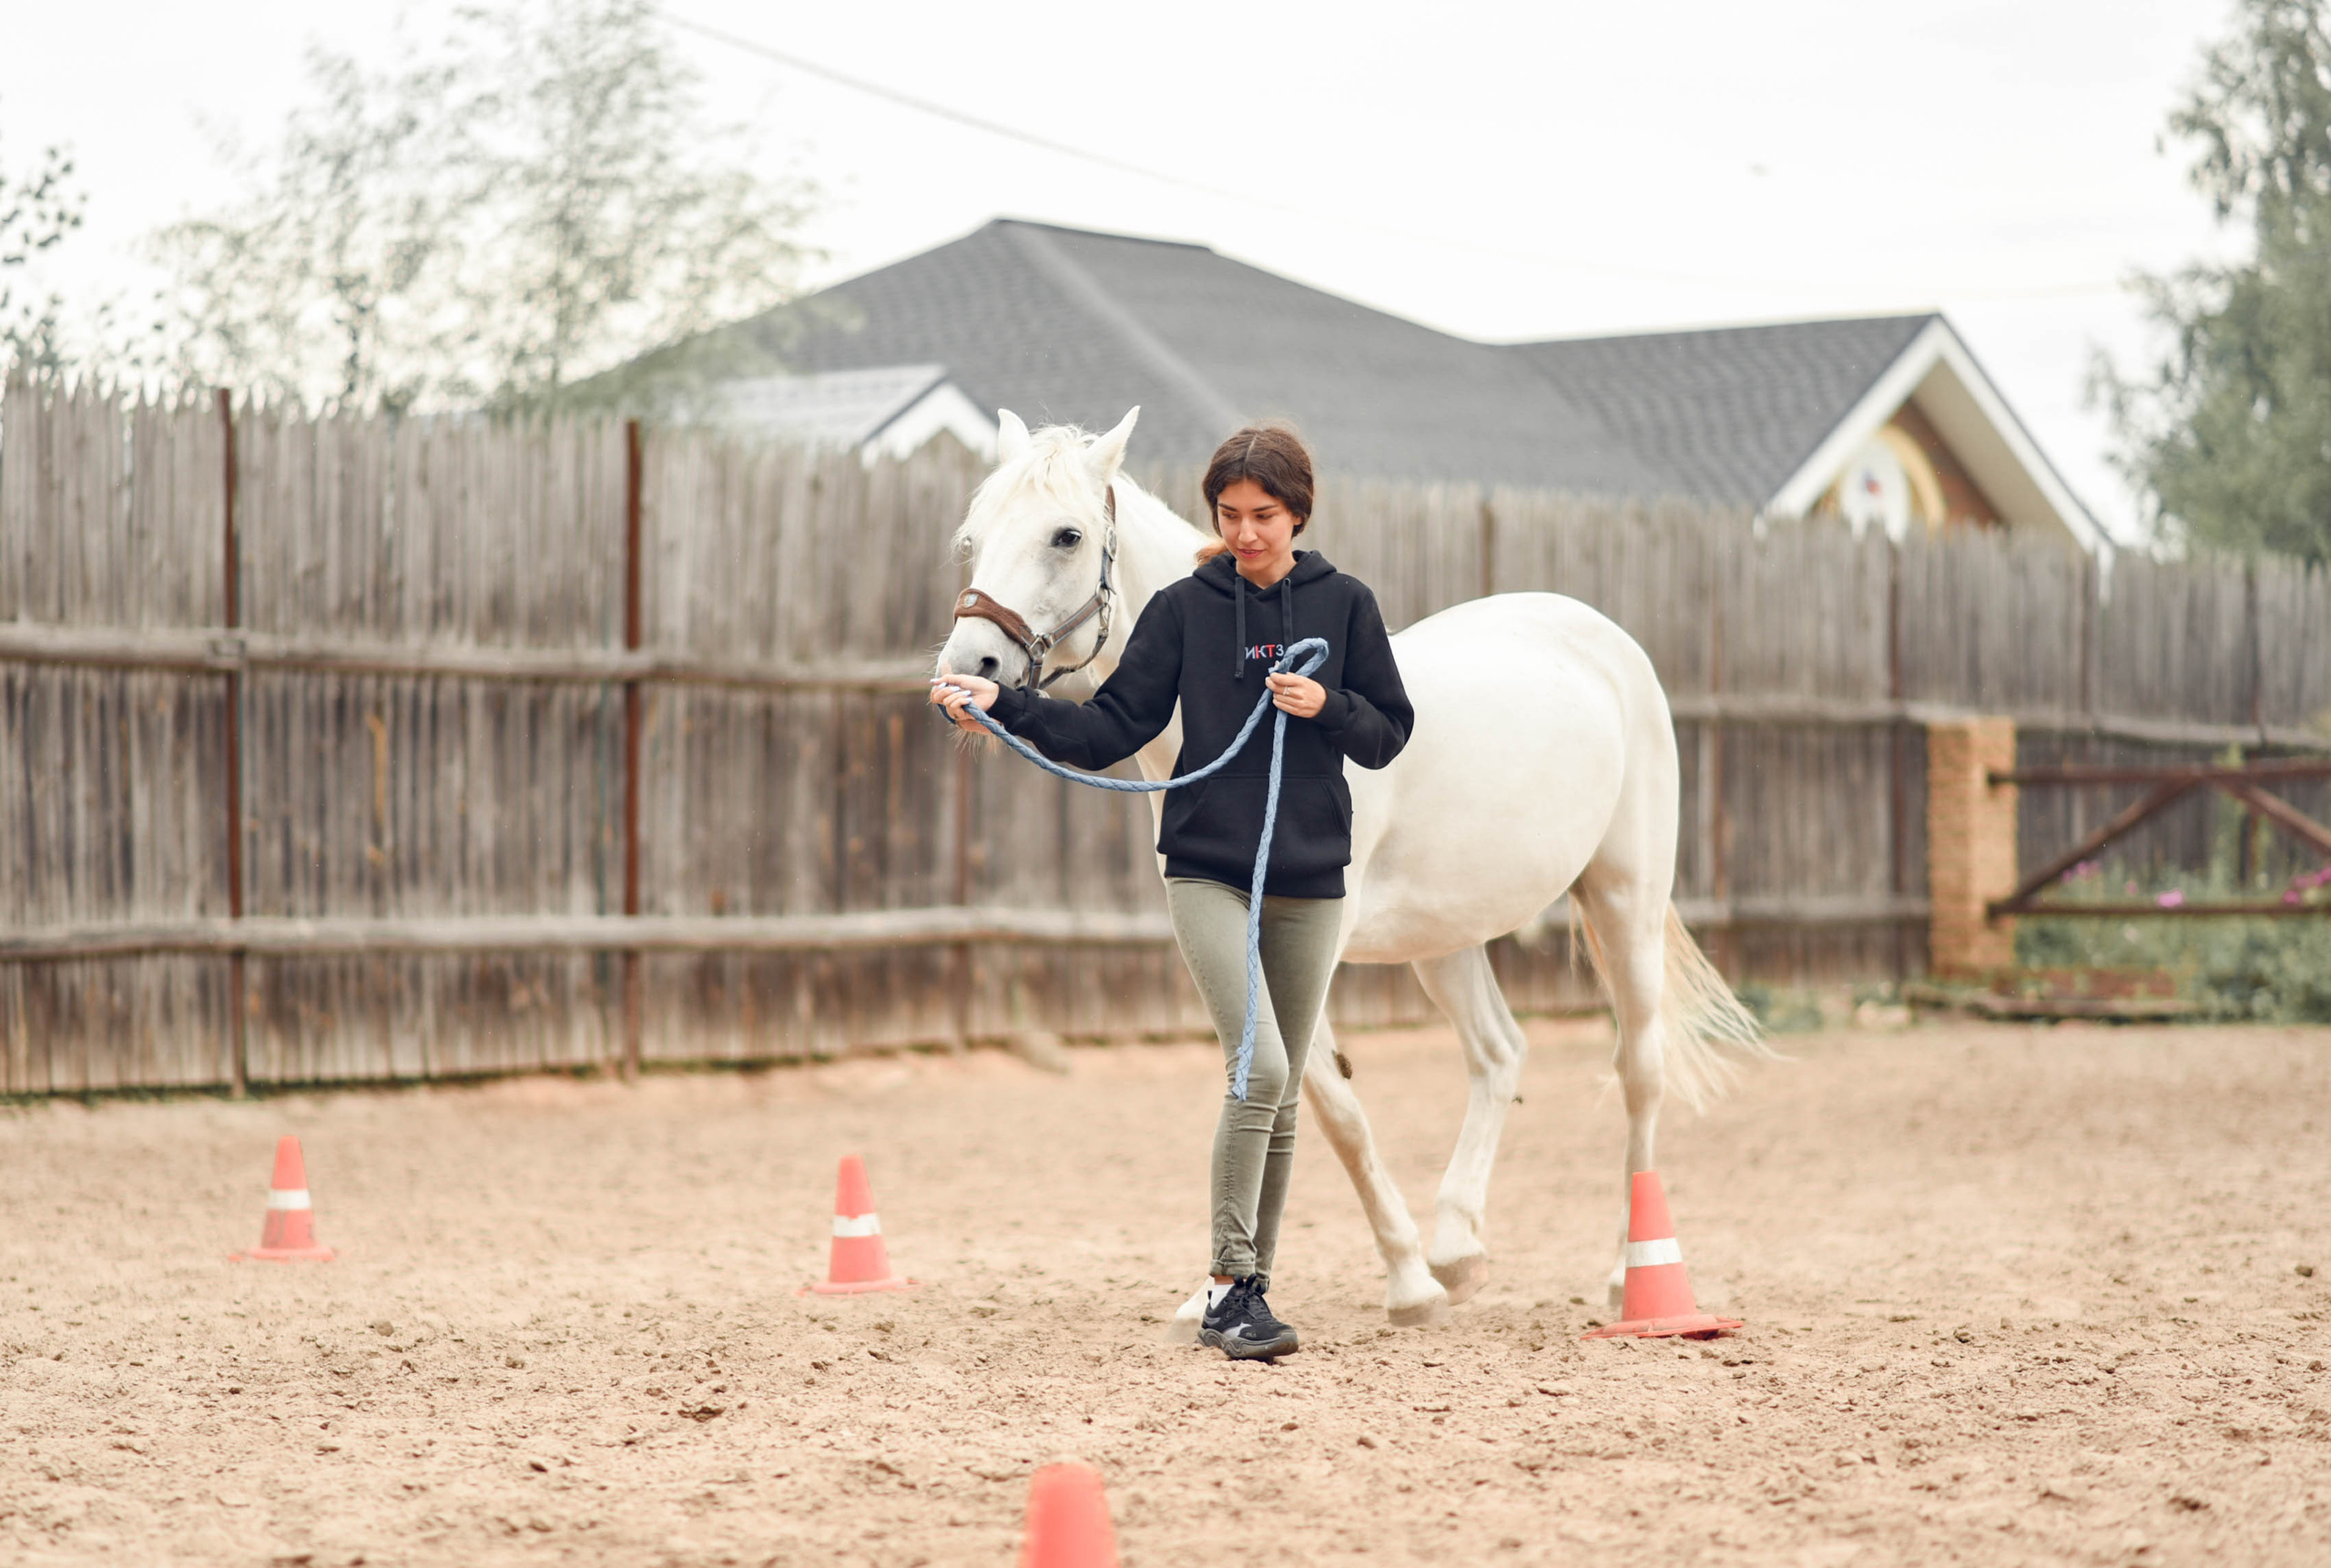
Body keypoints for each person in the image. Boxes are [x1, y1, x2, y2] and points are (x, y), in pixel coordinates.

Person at [931, 423, 1412, 1360]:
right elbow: (1113, 725)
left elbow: (1388, 730)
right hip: (1207, 866)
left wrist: (1329, 707)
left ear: (1298, 515)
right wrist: (1007, 706)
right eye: (1228, 515)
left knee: (1276, 1095)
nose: (1244, 533)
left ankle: (1250, 1295)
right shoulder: (1187, 609)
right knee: (1263, 1071)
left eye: (1262, 516)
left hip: (1310, 878)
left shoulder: (1344, 606)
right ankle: (1231, 1283)